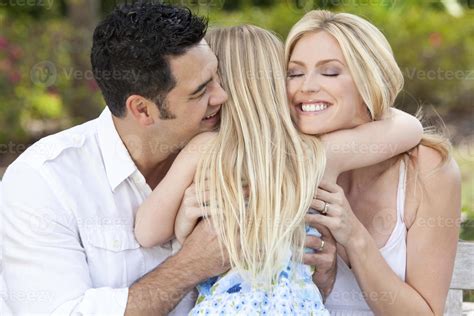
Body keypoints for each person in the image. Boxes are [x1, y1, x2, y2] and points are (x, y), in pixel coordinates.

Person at [133, 25, 423, 314]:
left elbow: (146, 232)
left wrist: (183, 220)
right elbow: (410, 128)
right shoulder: (315, 153)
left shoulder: (203, 149)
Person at [1, 3, 231, 315]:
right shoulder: (43, 181)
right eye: (201, 91)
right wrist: (190, 265)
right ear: (142, 110)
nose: (222, 96)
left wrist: (323, 273)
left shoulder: (226, 158)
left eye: (217, 77)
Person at [285, 10, 461, 315]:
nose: (306, 87)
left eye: (330, 72)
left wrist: (353, 236)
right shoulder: (279, 161)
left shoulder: (426, 169)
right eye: (295, 73)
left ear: (369, 80)